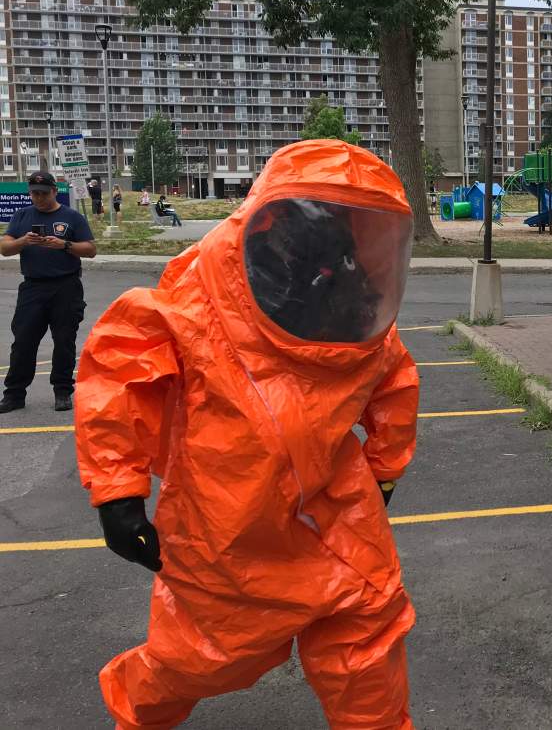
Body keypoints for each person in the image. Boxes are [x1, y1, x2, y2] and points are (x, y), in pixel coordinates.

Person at [75, 139, 419, 729]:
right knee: (202, 658)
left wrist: (384, 468)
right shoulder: (203, 296)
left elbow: (392, 379)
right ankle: (138, 714)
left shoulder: (349, 300)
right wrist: (116, 491)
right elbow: (122, 368)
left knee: (368, 645)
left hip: (339, 515)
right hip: (229, 520)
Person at [0, 171, 97, 412]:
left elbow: (91, 249)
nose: (39, 198)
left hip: (66, 286)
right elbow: (4, 247)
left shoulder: (71, 217)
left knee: (64, 340)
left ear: (55, 191)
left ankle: (62, 391)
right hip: (33, 287)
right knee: (23, 341)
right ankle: (14, 394)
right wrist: (23, 241)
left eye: (44, 193)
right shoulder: (22, 216)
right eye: (34, 193)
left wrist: (64, 245)